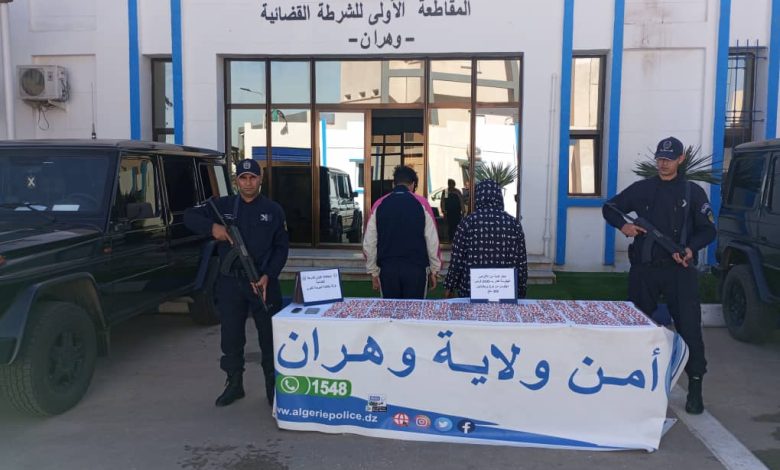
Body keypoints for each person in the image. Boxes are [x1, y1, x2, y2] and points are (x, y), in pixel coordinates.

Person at [601, 136, 716, 415]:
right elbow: (609, 208)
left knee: (689, 329)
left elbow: (708, 230)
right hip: (645, 271)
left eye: (669, 159)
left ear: (681, 159)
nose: (663, 164)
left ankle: (695, 386)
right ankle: (635, 385)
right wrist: (624, 227)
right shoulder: (643, 189)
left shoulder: (692, 192)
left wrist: (690, 249)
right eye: (660, 159)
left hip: (679, 272)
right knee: (637, 328)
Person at [184, 159, 289, 407]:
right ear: (236, 181)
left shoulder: (273, 210)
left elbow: (281, 248)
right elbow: (189, 217)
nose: (248, 183)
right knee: (231, 335)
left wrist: (268, 275)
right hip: (231, 283)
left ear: (260, 179)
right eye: (243, 178)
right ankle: (234, 383)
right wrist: (213, 228)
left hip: (263, 282)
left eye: (253, 177)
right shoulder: (223, 206)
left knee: (269, 337)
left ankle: (272, 387)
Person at [363, 165, 441, 299]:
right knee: (414, 311)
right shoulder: (422, 204)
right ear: (413, 184)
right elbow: (432, 240)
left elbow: (369, 242)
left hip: (387, 270)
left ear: (394, 184)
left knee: (391, 311)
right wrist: (434, 270)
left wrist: (373, 271)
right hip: (416, 270)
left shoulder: (379, 204)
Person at [444, 179, 528, 299]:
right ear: (499, 196)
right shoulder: (514, 224)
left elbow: (457, 259)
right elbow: (521, 261)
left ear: (478, 197)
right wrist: (521, 289)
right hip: (505, 290)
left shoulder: (467, 223)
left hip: (471, 290)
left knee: (472, 312)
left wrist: (450, 286)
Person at [441, 178, 465, 243]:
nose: (451, 185)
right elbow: (443, 201)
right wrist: (443, 210)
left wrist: (463, 210)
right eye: (450, 184)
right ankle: (450, 239)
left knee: (457, 226)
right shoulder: (446, 191)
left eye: (452, 184)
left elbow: (461, 201)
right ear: (448, 184)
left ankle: (457, 239)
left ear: (454, 184)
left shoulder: (457, 191)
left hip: (457, 212)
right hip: (448, 212)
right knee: (449, 226)